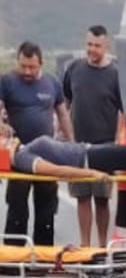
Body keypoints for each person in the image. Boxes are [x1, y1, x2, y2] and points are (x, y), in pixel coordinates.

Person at [0, 41, 72, 245]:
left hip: (47, 157)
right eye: (22, 66)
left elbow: (63, 115)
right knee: (17, 211)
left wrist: (71, 142)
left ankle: (43, 260)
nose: (27, 71)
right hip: (19, 155)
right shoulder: (7, 81)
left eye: (32, 67)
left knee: (46, 211)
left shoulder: (52, 82)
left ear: (41, 63)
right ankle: (14, 260)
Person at [61, 25, 123, 247]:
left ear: (106, 46)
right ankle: (85, 247)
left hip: (105, 147)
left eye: (97, 46)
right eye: (89, 44)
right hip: (78, 147)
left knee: (102, 200)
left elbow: (124, 112)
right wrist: (65, 135)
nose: (92, 49)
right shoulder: (74, 68)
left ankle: (101, 246)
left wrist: (117, 141)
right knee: (82, 197)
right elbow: (65, 102)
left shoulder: (115, 74)